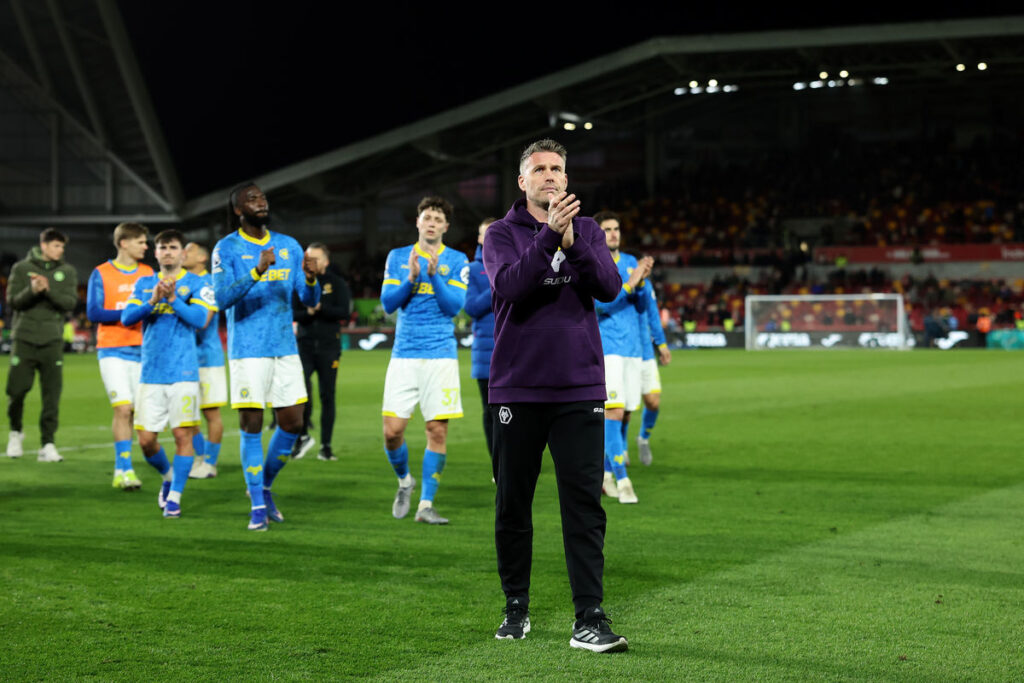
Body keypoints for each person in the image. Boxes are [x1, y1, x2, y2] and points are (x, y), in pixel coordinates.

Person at [483, 139, 628, 652]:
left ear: (567, 180)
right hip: (517, 389)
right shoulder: (500, 234)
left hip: (580, 387)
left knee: (585, 507)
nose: (550, 176)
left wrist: (572, 241)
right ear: (522, 181)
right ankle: (515, 608)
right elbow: (511, 287)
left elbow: (609, 287)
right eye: (539, 169)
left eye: (557, 169)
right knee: (512, 505)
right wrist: (548, 237)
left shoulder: (587, 230)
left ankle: (589, 617)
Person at [212, 182, 320, 531]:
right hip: (248, 351)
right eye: (252, 199)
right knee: (252, 426)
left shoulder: (288, 245)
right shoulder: (226, 248)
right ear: (239, 210)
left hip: (284, 349)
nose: (261, 202)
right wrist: (256, 271)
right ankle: (257, 503)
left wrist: (311, 278)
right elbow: (221, 298)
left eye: (262, 197)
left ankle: (264, 485)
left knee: (293, 424)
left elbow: (306, 297)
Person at [380, 196, 469, 525]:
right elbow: (389, 303)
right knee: (392, 431)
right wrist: (412, 277)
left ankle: (426, 504)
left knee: (437, 431)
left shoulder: (458, 260)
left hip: (440, 357)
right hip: (404, 355)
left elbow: (453, 308)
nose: (432, 222)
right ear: (418, 222)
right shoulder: (399, 257)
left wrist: (434, 276)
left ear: (446, 226)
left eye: (438, 218)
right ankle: (405, 481)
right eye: (427, 216)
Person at [121, 230, 212, 517]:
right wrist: (152, 300)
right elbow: (126, 319)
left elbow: (199, 320)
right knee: (146, 440)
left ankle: (175, 497)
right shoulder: (144, 283)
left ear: (183, 253)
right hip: (151, 372)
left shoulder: (198, 283)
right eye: (163, 247)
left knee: (183, 434)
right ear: (156, 253)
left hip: (184, 371)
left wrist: (172, 299)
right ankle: (168, 475)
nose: (168, 251)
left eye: (173, 247)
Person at [86, 222, 153, 488]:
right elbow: (94, 312)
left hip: (143, 350)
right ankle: (122, 470)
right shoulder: (101, 273)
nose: (146, 247)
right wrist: (131, 313)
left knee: (140, 413)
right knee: (123, 409)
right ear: (124, 243)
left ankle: (132, 465)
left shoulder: (149, 273)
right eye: (141, 242)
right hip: (112, 349)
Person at [593, 211, 652, 505]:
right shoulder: (594, 263)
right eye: (606, 229)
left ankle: (604, 473)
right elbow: (599, 305)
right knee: (613, 413)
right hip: (609, 349)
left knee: (626, 413)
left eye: (616, 229)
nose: (613, 234)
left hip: (632, 350)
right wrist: (630, 283)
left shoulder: (630, 262)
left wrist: (640, 285)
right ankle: (623, 479)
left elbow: (641, 307)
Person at [5, 228, 78, 462]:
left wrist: (47, 291)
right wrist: (32, 290)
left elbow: (68, 303)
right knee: (16, 391)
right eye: (56, 246)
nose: (60, 251)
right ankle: (16, 432)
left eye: (62, 247)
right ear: (44, 245)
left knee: (51, 396)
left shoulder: (67, 271)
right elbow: (13, 302)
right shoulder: (22, 269)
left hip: (52, 340)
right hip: (24, 338)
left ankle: (47, 444)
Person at [292, 243, 351, 461]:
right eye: (308, 259)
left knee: (328, 396)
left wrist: (321, 309)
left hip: (329, 347)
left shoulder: (336, 284)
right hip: (304, 345)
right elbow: (294, 313)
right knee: (300, 392)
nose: (311, 263)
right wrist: (308, 312)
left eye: (315, 259)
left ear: (326, 262)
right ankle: (303, 436)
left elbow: (344, 312)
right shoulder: (299, 283)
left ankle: (326, 446)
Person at [182, 242, 226, 479]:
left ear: (201, 258)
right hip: (186, 359)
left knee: (211, 413)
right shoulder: (183, 283)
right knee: (188, 415)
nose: (182, 254)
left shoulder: (209, 284)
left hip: (208, 358)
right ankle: (200, 457)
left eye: (188, 251)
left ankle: (210, 463)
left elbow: (203, 321)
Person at [464, 217, 498, 476]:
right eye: (484, 234)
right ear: (479, 239)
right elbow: (472, 307)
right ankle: (498, 466)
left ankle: (516, 460)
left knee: (519, 412)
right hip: (485, 355)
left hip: (517, 351)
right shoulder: (473, 270)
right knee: (491, 413)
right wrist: (500, 283)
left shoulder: (517, 262)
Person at [636, 282, 671, 465]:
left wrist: (661, 344)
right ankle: (620, 450)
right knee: (621, 410)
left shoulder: (646, 285)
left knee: (653, 401)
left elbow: (653, 315)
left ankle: (643, 438)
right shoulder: (616, 276)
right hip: (621, 349)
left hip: (646, 351)